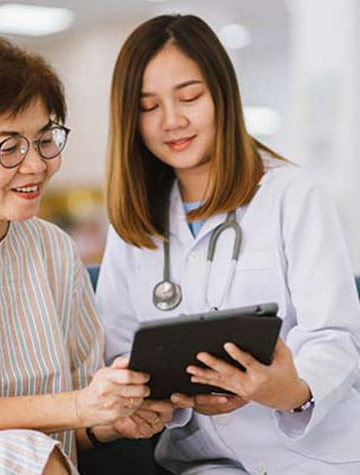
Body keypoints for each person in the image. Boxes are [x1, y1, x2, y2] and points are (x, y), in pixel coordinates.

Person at [0, 36, 174, 474]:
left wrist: (108, 422)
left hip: (41, 460)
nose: (36, 164)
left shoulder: (53, 249)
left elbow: (65, 421)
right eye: (8, 146)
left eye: (44, 139)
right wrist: (80, 407)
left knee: (32, 453)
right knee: (22, 456)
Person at [96, 14, 360, 475]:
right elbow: (118, 349)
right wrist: (150, 396)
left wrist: (289, 390)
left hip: (318, 456)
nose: (172, 121)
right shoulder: (134, 222)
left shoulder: (292, 195)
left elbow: (333, 337)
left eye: (189, 97)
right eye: (148, 106)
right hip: (205, 461)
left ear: (223, 94)